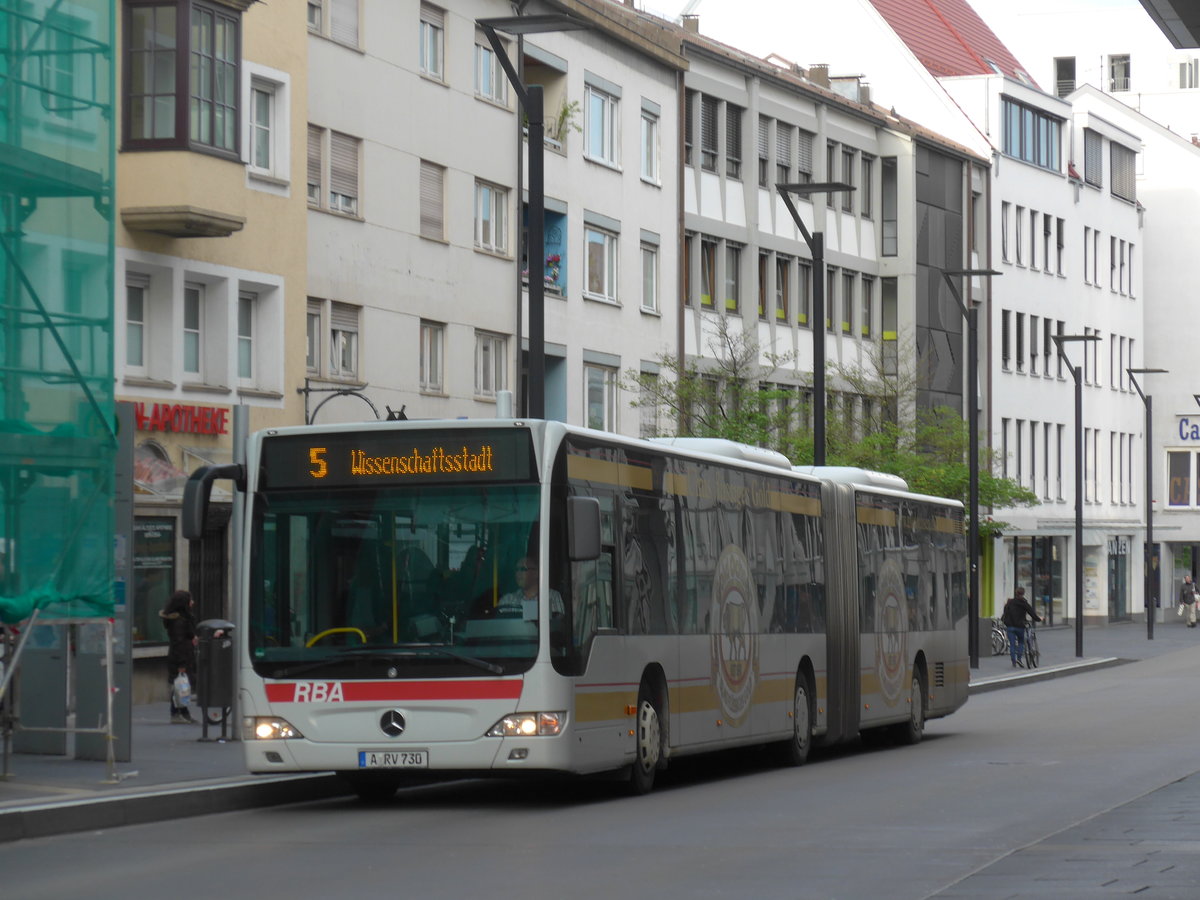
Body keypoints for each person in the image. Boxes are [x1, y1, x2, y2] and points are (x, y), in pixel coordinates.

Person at [160, 589, 197, 723]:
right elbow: (179, 642)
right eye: (190, 600)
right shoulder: (179, 621)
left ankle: (183, 712)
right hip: (181, 657)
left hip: (183, 655)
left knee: (182, 686)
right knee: (179, 686)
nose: (192, 602)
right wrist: (181, 664)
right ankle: (176, 713)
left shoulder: (182, 618)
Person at [497, 556, 564, 620]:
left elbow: (556, 626)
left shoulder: (552, 596)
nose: (518, 573)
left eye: (523, 569)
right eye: (517, 569)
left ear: (537, 573)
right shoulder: (507, 600)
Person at [1001, 586, 1042, 668]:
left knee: (1012, 644)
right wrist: (1038, 619)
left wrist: (1005, 622)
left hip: (1010, 626)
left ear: (1016, 593)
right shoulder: (1024, 603)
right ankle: (1019, 659)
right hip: (1020, 626)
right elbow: (1031, 613)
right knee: (1021, 642)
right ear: (1023, 594)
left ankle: (1013, 661)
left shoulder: (1009, 602)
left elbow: (1005, 613)